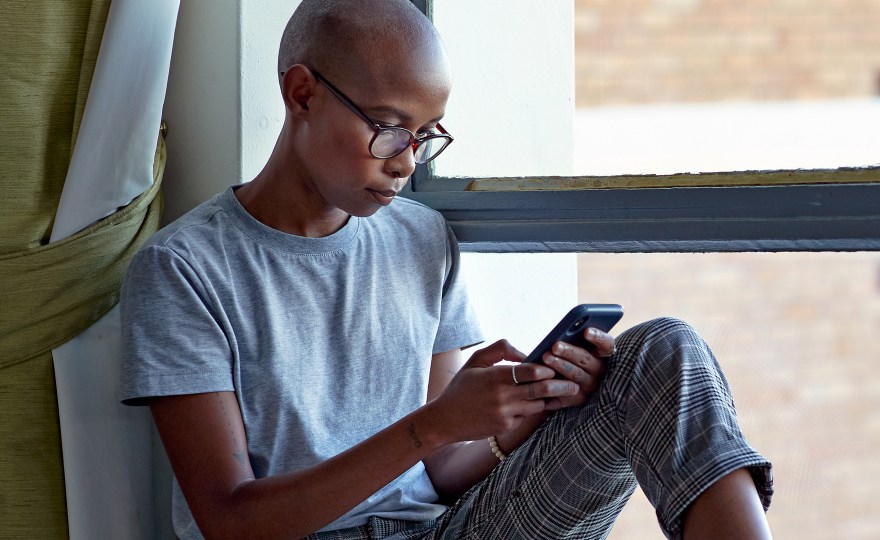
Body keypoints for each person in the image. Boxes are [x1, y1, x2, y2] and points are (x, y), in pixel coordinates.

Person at [120, 0, 774, 538]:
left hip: (447, 530)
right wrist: (432, 423)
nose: (406, 162)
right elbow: (230, 521)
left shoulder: (422, 238)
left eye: (427, 133)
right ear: (302, 94)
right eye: (388, 126)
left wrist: (512, 416)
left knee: (664, 351)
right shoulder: (184, 270)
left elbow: (434, 471)